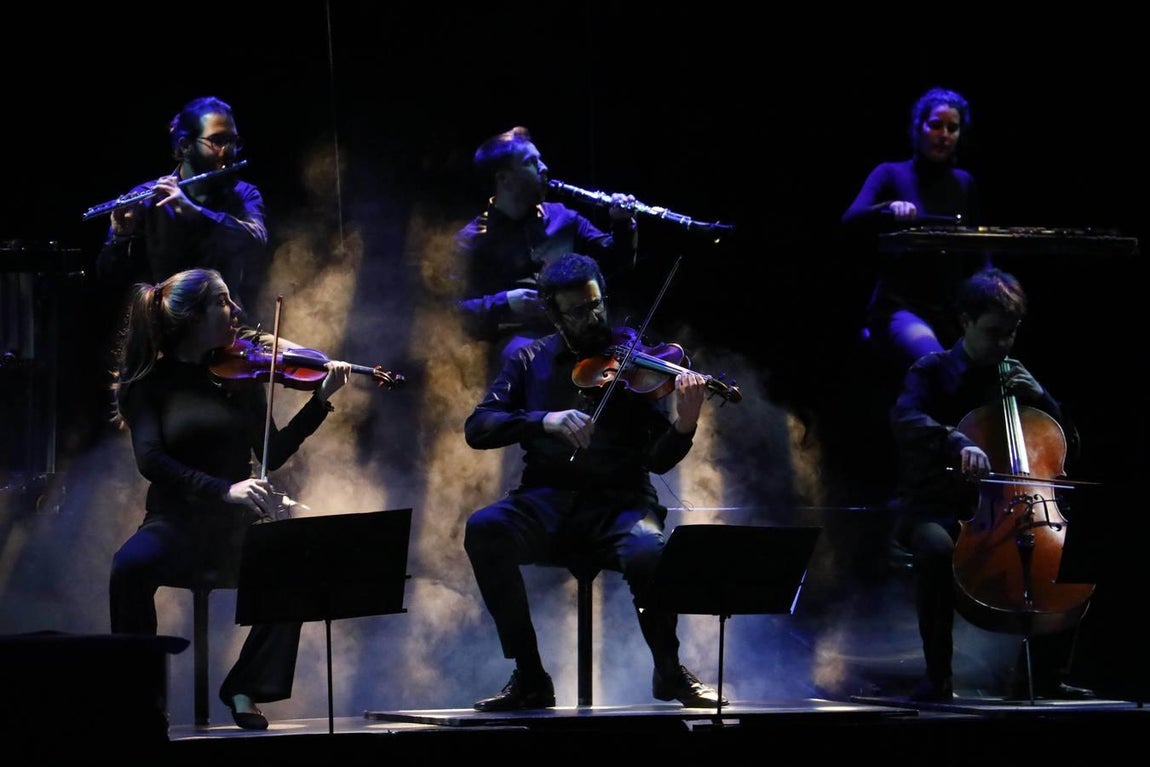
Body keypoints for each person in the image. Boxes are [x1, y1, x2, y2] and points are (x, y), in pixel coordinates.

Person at [462, 252, 726, 711]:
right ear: (554, 312)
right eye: (580, 312)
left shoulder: (636, 362)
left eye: (597, 304)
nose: (595, 318)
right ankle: (530, 675)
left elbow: (658, 460)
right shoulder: (528, 359)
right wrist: (544, 420)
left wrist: (684, 425)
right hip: (545, 500)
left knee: (649, 551)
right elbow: (478, 427)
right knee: (485, 529)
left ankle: (668, 670)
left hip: (621, 502)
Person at [107, 267, 351, 729]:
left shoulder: (242, 378)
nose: (236, 311)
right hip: (175, 523)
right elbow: (152, 461)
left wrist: (320, 400)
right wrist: (225, 489)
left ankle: (246, 685)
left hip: (236, 531)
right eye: (222, 302)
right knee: (129, 566)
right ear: (191, 318)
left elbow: (272, 453)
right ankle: (139, 702)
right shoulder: (149, 384)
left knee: (299, 569)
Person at [889, 266, 1080, 701]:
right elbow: (905, 419)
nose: (1004, 344)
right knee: (937, 551)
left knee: (1075, 552)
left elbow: (1067, 448)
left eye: (1011, 333)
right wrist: (955, 441)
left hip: (1013, 510)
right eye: (994, 332)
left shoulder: (1016, 379)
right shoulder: (930, 371)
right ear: (965, 322)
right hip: (934, 506)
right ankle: (938, 678)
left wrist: (1043, 399)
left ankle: (1044, 677)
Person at [453, 126, 639, 367]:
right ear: (504, 179)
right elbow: (450, 314)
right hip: (522, 346)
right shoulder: (471, 240)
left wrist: (622, 224)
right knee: (525, 357)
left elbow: (618, 261)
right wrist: (506, 302)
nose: (544, 168)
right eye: (532, 162)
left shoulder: (564, 217)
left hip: (584, 331)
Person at [96, 96, 273, 338]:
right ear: (185, 146)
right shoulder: (147, 198)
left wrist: (195, 213)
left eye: (233, 142)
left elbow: (256, 241)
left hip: (229, 330)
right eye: (218, 141)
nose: (229, 152)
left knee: (307, 359)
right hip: (164, 333)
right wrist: (120, 237)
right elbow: (109, 282)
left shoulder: (244, 195)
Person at [842, 86, 983, 385]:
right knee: (936, 364)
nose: (944, 134)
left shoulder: (965, 182)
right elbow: (850, 220)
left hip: (950, 312)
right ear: (918, 128)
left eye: (952, 128)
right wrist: (888, 207)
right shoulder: (891, 173)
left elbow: (978, 253)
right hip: (898, 309)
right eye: (935, 125)